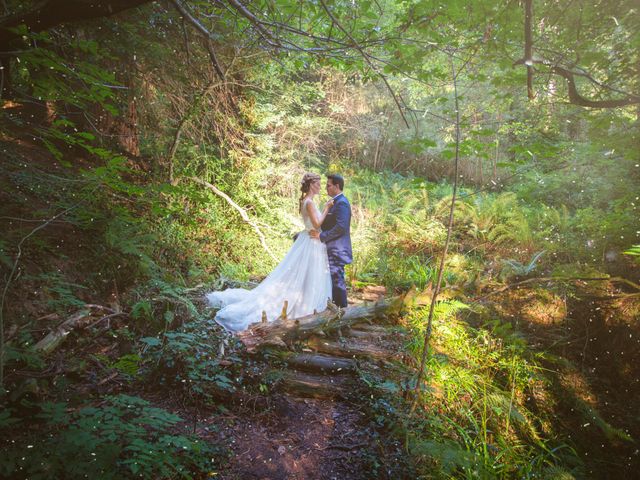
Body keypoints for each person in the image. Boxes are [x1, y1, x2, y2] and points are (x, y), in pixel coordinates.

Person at [206, 173, 334, 332]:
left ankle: (306, 305)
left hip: (308, 240)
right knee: (304, 274)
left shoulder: (306, 201)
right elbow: (316, 223)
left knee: (305, 275)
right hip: (311, 240)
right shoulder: (309, 203)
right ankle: (303, 308)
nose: (320, 186)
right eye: (317, 184)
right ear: (310, 185)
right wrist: (327, 208)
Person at [309, 174, 352, 308]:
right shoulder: (334, 202)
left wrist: (321, 236)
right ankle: (335, 311)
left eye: (328, 185)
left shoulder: (342, 203)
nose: (326, 188)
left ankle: (342, 312)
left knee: (337, 282)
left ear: (337, 186)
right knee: (333, 281)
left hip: (337, 249)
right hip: (331, 248)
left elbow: (341, 227)